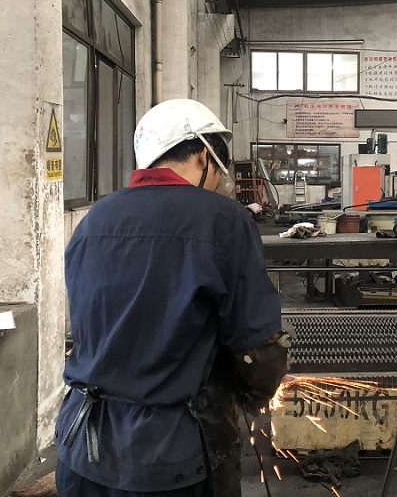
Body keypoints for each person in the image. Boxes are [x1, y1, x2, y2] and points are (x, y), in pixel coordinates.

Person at [55, 99, 290, 497]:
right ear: (203, 156)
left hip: (82, 444)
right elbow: (258, 345)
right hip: (169, 457)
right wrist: (256, 393)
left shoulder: (96, 217)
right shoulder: (223, 219)